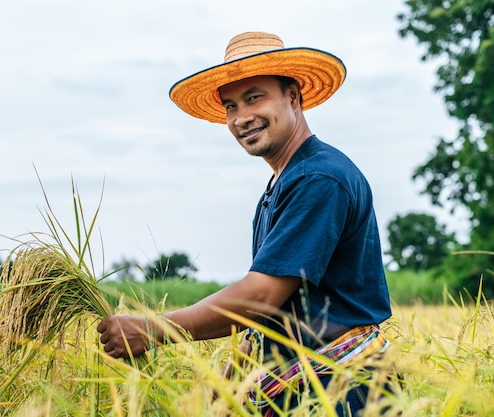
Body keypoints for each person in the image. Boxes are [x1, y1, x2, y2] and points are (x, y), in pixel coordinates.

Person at [97, 31, 395, 416]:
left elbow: (259, 296)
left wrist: (153, 330)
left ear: (293, 96)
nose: (242, 117)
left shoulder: (318, 179)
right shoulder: (281, 183)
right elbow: (280, 308)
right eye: (231, 106)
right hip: (301, 388)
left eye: (255, 97)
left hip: (343, 390)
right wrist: (237, 370)